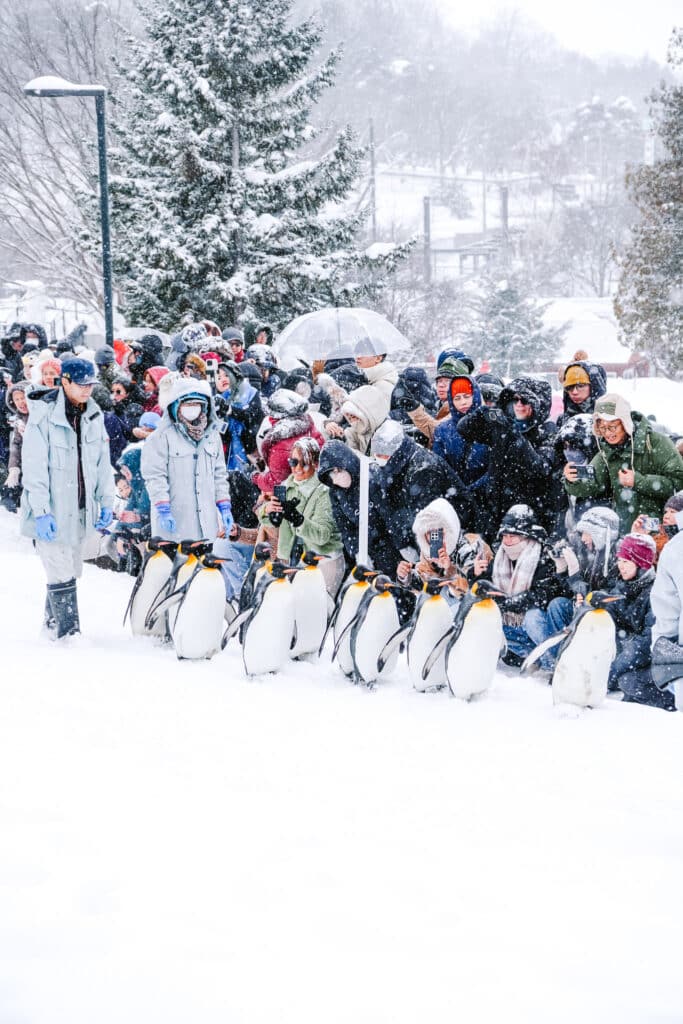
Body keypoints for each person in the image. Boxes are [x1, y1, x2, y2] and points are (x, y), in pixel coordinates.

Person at [20, 358, 115, 637]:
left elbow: (102, 462)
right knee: (59, 569)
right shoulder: (43, 415)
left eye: (91, 384)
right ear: (66, 382)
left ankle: (50, 627)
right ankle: (68, 633)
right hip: (53, 507)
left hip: (81, 507)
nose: (87, 390)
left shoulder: (94, 416)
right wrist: (40, 511)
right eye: (82, 384)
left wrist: (106, 501)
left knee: (70, 570)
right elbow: (35, 466)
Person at [563, 393, 683, 535]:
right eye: (602, 427)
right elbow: (592, 485)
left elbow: (678, 485)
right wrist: (572, 480)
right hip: (625, 533)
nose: (607, 433)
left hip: (660, 533)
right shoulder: (606, 451)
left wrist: (638, 481)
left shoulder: (657, 443)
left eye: (612, 427)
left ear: (625, 422)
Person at [458, 376, 558, 538]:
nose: (518, 405)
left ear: (537, 405)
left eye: (525, 401)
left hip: (529, 510)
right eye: (514, 399)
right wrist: (484, 412)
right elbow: (464, 429)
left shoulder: (547, 430)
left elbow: (540, 467)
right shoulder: (503, 425)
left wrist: (514, 434)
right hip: (496, 505)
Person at [474, 504, 568, 671]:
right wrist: (477, 575)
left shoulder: (543, 556)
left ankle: (553, 663)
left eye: (513, 535)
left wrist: (508, 603)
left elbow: (541, 596)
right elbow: (483, 591)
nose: (507, 540)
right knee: (488, 621)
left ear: (526, 536)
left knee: (533, 618)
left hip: (541, 625)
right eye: (505, 535)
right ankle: (531, 656)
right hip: (517, 627)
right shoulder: (499, 557)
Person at [141, 374, 231, 542]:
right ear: (176, 406)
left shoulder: (212, 436)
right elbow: (154, 475)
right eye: (188, 404)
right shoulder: (161, 437)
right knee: (174, 567)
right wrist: (163, 508)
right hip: (175, 522)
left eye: (197, 404)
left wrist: (224, 505)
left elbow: (219, 474)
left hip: (206, 524)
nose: (192, 408)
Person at [370, 418, 474, 562]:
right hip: (420, 525)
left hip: (452, 528)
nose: (379, 460)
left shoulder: (423, 471)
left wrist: (433, 555)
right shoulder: (398, 464)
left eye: (383, 456)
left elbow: (432, 520)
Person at [264, 438, 345, 596]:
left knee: (321, 611)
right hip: (291, 560)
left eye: (304, 463)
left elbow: (322, 536)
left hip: (324, 562)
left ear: (316, 463)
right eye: (294, 462)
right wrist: (268, 511)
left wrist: (297, 519)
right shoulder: (287, 486)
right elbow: (271, 523)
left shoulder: (325, 491)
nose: (298, 468)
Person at [317, 439, 402, 576]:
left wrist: (399, 552)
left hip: (392, 547)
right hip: (366, 553)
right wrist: (357, 552)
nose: (336, 478)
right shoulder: (336, 493)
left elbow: (392, 518)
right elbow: (345, 527)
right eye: (331, 475)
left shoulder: (373, 477)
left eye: (338, 470)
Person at [606, 534, 673, 709]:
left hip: (658, 659)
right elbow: (609, 617)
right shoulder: (622, 586)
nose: (620, 566)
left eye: (626, 561)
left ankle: (672, 702)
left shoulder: (655, 593)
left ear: (641, 563)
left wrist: (610, 673)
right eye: (619, 560)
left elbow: (647, 642)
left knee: (628, 681)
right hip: (633, 650)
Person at [252, 389, 324, 494]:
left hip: (297, 495)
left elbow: (275, 483)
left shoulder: (280, 444)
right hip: (317, 487)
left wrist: (256, 477)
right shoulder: (308, 426)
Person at [432, 372, 489, 488]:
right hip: (454, 497)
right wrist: (458, 492)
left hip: (488, 496)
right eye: (457, 398)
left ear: (475, 395)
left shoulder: (491, 425)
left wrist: (473, 490)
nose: (463, 402)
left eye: (467, 396)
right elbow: (440, 468)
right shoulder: (443, 430)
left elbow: (495, 469)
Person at [555, 356, 607, 428]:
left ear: (594, 386)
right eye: (569, 387)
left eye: (581, 385)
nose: (574, 392)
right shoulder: (563, 420)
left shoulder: (611, 416)